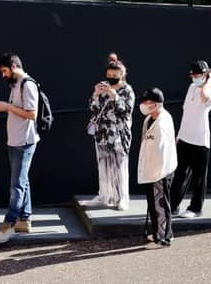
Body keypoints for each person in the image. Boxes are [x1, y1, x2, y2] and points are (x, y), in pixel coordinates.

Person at [0, 53, 39, 244]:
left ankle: (9, 224)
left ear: (13, 66)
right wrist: (4, 106)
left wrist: (6, 107)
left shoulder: (27, 84)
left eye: (4, 70)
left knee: (16, 185)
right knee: (22, 181)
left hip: (24, 142)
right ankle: (24, 220)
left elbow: (32, 114)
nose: (3, 75)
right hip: (15, 141)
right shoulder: (16, 85)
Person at [87, 53, 135, 211]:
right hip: (102, 132)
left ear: (122, 74)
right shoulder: (102, 86)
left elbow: (126, 111)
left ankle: (122, 198)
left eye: (115, 75)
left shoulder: (127, 90)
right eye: (109, 75)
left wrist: (115, 97)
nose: (111, 78)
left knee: (120, 165)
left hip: (119, 134)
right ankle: (104, 196)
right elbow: (93, 110)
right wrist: (95, 94)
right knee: (103, 164)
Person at [170, 60, 211, 218]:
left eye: (198, 74)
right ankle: (173, 206)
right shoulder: (191, 87)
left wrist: (209, 80)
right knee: (180, 173)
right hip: (185, 137)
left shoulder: (208, 88)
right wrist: (179, 136)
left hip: (200, 140)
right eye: (193, 75)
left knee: (199, 177)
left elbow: (205, 96)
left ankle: (195, 208)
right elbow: (186, 113)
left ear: (205, 74)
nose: (195, 77)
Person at [138, 88, 177, 248]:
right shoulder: (149, 118)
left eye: (147, 102)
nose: (143, 105)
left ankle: (162, 239)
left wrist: (156, 174)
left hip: (160, 171)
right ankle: (163, 232)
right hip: (152, 169)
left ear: (156, 104)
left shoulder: (162, 123)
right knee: (156, 204)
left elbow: (162, 151)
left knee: (160, 205)